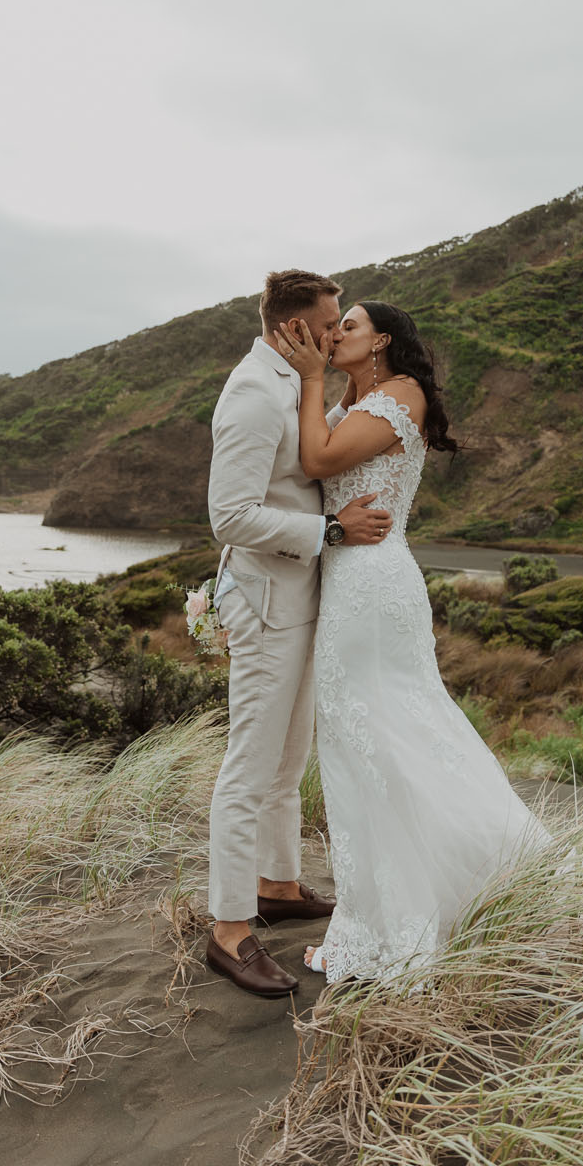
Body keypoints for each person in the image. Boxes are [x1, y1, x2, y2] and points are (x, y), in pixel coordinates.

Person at [274, 301, 551, 983]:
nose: (335, 335)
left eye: (350, 327)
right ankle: (386, 913)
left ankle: (407, 919)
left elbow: (316, 458)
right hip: (347, 582)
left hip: (372, 586)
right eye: (334, 327)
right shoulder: (359, 398)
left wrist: (312, 379)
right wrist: (328, 384)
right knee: (367, 744)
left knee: (386, 739)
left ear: (383, 342)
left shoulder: (403, 394)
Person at [205, 270, 394, 998]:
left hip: (304, 596)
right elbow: (230, 516)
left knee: (288, 759)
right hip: (265, 604)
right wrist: (331, 531)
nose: (337, 330)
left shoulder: (299, 383)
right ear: (291, 328)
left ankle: (277, 885)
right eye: (328, 321)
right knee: (250, 766)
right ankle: (229, 929)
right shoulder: (255, 395)